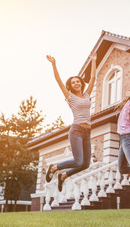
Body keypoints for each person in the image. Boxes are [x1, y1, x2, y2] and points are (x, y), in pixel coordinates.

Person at [45, 52, 97, 191]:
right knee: (78, 161)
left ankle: (63, 176)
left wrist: (93, 60)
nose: (76, 83)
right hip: (77, 131)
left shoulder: (86, 95)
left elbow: (93, 78)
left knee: (85, 164)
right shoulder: (70, 97)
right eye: (73, 82)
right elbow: (58, 80)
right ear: (71, 85)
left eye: (78, 81)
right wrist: (54, 64)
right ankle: (54, 168)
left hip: (87, 132)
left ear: (81, 83)